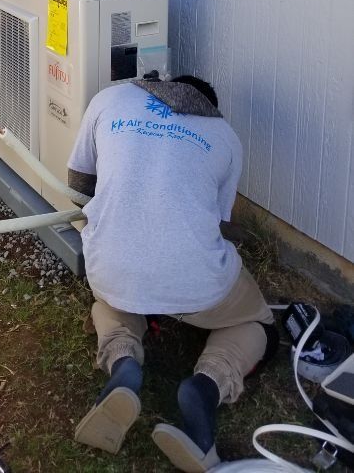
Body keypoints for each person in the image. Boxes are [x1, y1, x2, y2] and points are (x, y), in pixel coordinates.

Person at [68, 74, 278, 470]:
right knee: (259, 324)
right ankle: (206, 385)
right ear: (209, 107)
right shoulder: (225, 136)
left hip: (112, 269)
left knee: (113, 298)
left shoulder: (110, 100)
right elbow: (214, 222)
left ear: (161, 84)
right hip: (197, 284)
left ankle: (123, 359)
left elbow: (79, 188)